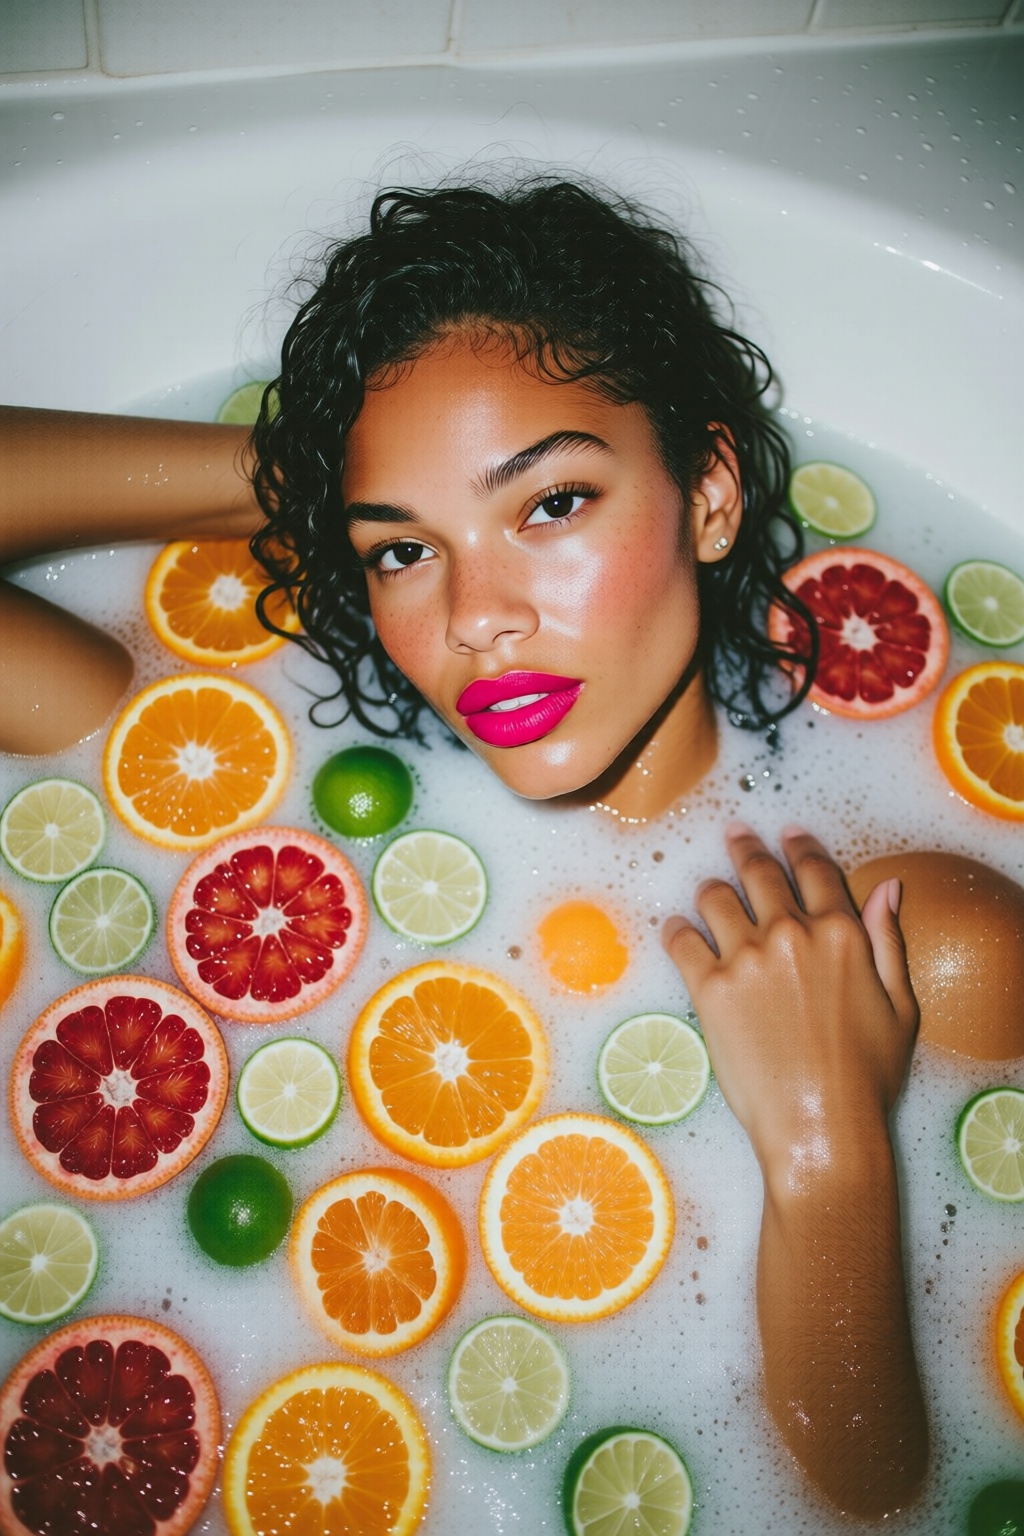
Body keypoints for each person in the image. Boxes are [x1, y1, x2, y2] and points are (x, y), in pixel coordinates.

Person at [0, 176, 927, 1518]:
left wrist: (829, 1145)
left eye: (551, 505)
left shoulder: (902, 925)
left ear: (710, 494)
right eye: (404, 554)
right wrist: (323, 479)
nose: (478, 617)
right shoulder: (233, 775)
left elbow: (881, 1501)